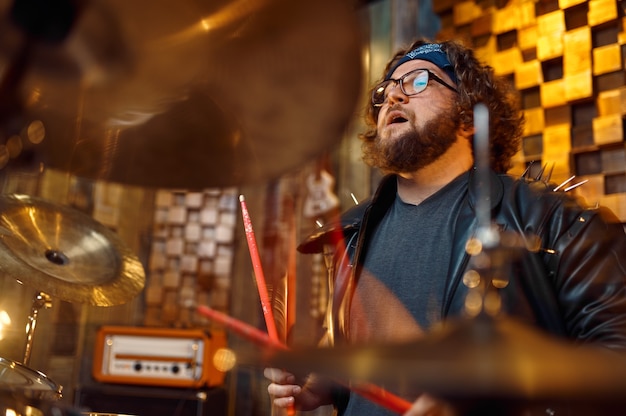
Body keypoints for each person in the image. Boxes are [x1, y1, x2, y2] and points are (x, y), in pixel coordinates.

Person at [264, 38, 626, 415]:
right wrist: (319, 385)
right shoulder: (352, 237)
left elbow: (614, 368)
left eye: (418, 82)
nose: (393, 98)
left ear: (469, 115)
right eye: (386, 91)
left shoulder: (548, 219)